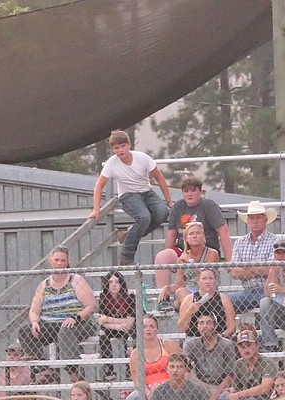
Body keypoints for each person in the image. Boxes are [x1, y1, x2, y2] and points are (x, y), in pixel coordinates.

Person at [87, 129, 173, 265]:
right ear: (113, 150)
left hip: (147, 191)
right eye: (116, 148)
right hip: (128, 195)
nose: (121, 150)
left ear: (129, 145)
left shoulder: (142, 158)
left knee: (163, 213)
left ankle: (129, 235)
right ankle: (127, 257)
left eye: (123, 146)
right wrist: (96, 209)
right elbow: (99, 186)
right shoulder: (112, 163)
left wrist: (168, 201)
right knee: (144, 217)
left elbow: (159, 178)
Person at [20, 246, 96, 381]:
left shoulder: (76, 280)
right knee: (24, 331)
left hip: (76, 323)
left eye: (63, 260)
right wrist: (35, 322)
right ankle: (46, 370)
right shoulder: (44, 284)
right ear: (51, 261)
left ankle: (73, 372)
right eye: (56, 260)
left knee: (65, 330)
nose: (59, 263)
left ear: (67, 262)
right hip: (50, 323)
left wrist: (76, 317)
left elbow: (91, 306)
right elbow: (34, 310)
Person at [155, 221, 222, 312]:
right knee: (180, 293)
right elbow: (179, 284)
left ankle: (197, 314)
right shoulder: (182, 259)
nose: (195, 236)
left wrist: (191, 262)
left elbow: (207, 277)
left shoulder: (212, 254)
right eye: (191, 234)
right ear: (186, 238)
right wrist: (168, 288)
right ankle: (196, 314)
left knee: (183, 297)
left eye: (198, 233)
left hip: (207, 293)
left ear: (203, 236)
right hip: (189, 294)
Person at [162, 174, 234, 258]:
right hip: (183, 249)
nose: (189, 194)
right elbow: (171, 233)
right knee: (163, 256)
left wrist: (229, 261)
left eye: (193, 190)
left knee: (205, 270)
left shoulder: (209, 206)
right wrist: (168, 255)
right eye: (186, 191)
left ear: (200, 192)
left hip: (207, 248)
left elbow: (223, 231)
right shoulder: (177, 207)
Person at [227, 201, 279, 314]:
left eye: (258, 217)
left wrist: (245, 267)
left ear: (265, 220)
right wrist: (258, 269)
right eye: (251, 218)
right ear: (247, 221)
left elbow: (270, 270)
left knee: (266, 302)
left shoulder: (275, 241)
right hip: (247, 291)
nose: (255, 221)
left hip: (268, 290)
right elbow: (235, 273)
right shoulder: (239, 242)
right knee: (224, 301)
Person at [126, 314, 181, 400]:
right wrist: (148, 393)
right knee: (131, 399)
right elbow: (137, 381)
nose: (148, 329)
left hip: (170, 386)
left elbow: (184, 367)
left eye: (152, 326)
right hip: (148, 389)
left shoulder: (167, 345)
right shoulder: (136, 354)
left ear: (157, 330)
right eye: (144, 327)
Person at [182, 312, 235, 400]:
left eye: (209, 322)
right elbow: (185, 368)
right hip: (200, 385)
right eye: (201, 323)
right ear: (197, 326)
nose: (205, 326)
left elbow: (230, 375)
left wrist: (214, 396)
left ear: (215, 325)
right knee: (185, 375)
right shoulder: (191, 344)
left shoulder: (226, 344)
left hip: (220, 386)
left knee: (225, 396)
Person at [93, 271, 135, 380]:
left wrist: (108, 319)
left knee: (129, 334)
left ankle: (130, 369)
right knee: (102, 334)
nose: (114, 284)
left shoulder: (130, 296)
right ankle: (109, 370)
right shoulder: (104, 296)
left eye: (117, 282)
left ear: (122, 284)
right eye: (110, 282)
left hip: (129, 328)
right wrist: (116, 325)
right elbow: (101, 322)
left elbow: (129, 323)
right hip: (113, 328)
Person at [217, 326, 274, 400]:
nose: (246, 349)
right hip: (244, 397)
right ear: (238, 348)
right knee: (224, 396)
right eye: (242, 346)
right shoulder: (239, 363)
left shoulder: (268, 363)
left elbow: (265, 388)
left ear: (256, 345)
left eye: (249, 345)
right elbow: (237, 388)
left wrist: (238, 394)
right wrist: (231, 390)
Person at [176, 267, 235, 339]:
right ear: (198, 281)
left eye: (210, 278)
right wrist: (189, 312)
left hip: (218, 338)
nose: (207, 281)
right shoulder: (189, 299)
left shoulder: (223, 299)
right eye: (204, 278)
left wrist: (221, 336)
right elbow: (181, 328)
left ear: (215, 281)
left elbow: (232, 327)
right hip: (195, 338)